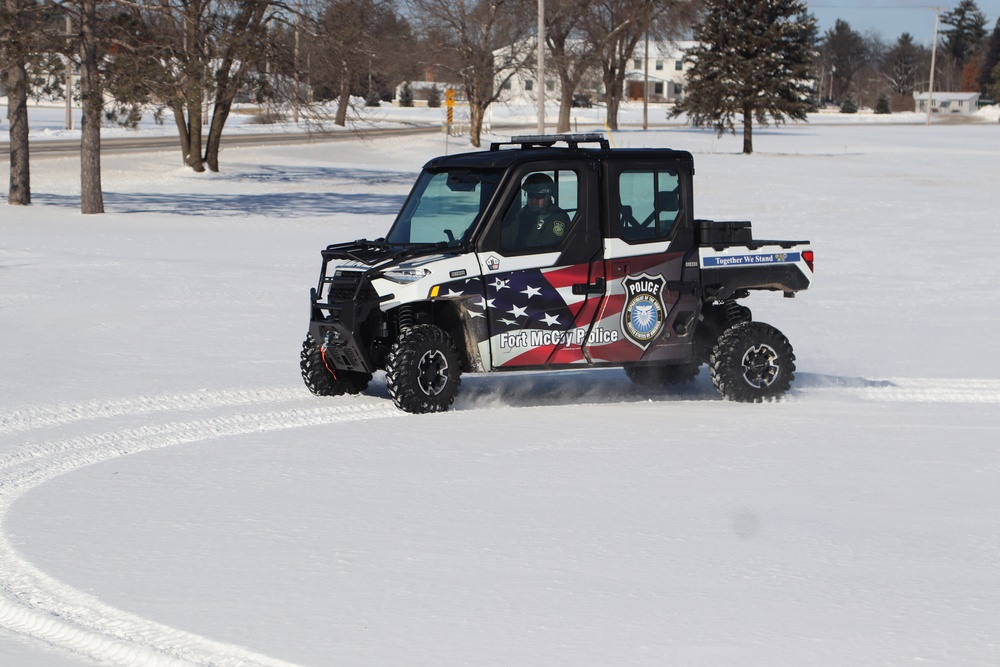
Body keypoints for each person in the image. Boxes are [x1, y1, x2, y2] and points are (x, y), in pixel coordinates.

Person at [505, 173, 570, 249]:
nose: (533, 200)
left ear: (548, 196)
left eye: (539, 196)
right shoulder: (520, 215)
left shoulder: (557, 217)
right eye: (530, 195)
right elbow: (506, 240)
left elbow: (546, 247)